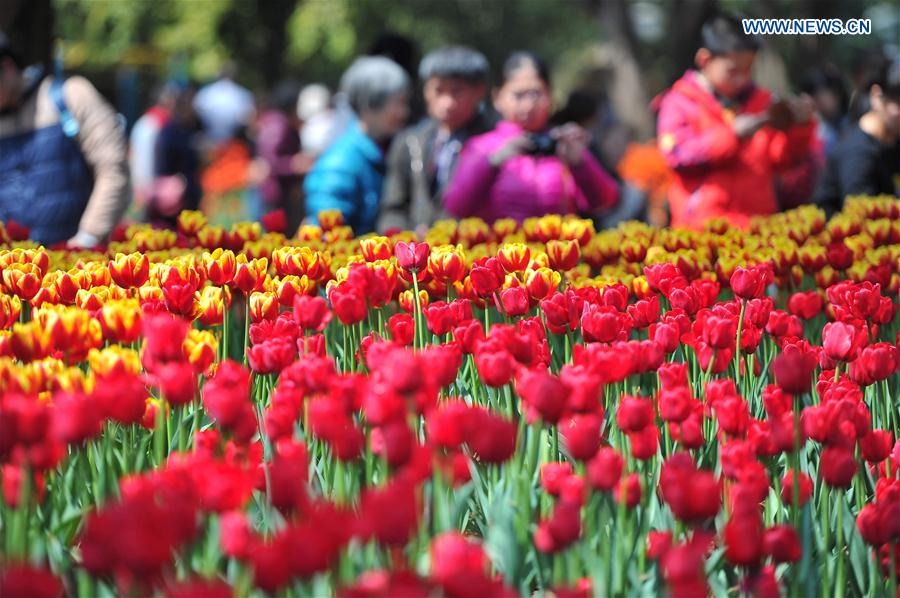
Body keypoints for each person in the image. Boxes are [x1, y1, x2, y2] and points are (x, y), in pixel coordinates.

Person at [656, 14, 816, 229]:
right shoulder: (678, 102)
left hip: (757, 227)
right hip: (702, 232)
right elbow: (677, 156)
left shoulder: (764, 102)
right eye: (733, 71)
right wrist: (732, 135)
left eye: (748, 69)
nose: (743, 78)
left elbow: (782, 161)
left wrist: (800, 128)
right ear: (704, 60)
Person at [443, 52, 618, 223]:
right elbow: (456, 207)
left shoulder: (563, 143)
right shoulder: (482, 147)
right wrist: (492, 163)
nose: (529, 105)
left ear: (550, 96)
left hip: (556, 250)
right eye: (518, 95)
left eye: (536, 94)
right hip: (502, 251)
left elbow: (606, 202)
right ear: (497, 98)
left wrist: (580, 164)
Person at [0, 32, 129, 247]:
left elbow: (112, 167)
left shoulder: (71, 96)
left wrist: (88, 236)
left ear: (7, 67)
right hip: (12, 271)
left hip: (75, 265)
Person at [378, 45, 493, 234]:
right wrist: (404, 239)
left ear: (479, 92)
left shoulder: (492, 142)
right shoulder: (409, 141)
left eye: (457, 92)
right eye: (438, 91)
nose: (447, 103)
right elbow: (392, 206)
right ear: (425, 91)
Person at [303, 56, 410, 234]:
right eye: (399, 103)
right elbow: (327, 237)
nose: (404, 112)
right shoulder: (340, 164)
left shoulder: (385, 149)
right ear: (370, 105)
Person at [815, 63, 900, 217]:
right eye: (898, 101)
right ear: (876, 96)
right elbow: (863, 217)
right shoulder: (857, 154)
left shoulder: (893, 139)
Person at [255, 80, 311, 234]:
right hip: (277, 193)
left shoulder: (273, 120)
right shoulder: (279, 125)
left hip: (273, 192)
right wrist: (294, 164)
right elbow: (270, 162)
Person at [147, 85, 202, 228]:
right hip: (172, 192)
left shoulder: (195, 127)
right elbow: (163, 163)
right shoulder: (170, 131)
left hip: (190, 191)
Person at [129, 82, 177, 210]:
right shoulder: (151, 124)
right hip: (152, 193)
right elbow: (144, 162)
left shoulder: (152, 123)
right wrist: (147, 191)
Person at [192, 62, 255, 145]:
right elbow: (248, 118)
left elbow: (195, 111)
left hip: (209, 144)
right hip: (233, 145)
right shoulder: (244, 94)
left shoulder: (205, 92)